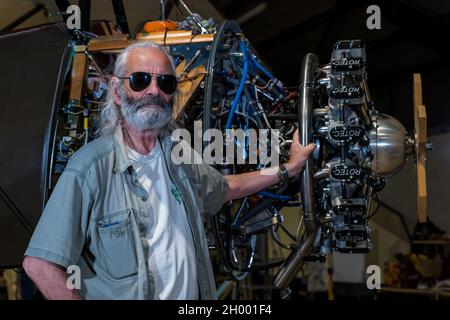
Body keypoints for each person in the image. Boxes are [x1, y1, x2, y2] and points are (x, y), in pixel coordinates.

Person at [22, 41, 316, 300]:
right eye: (139, 81)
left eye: (165, 83)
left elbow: (224, 188)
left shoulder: (178, 153)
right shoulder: (89, 169)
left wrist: (288, 169)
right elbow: (40, 264)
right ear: (116, 90)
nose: (153, 91)